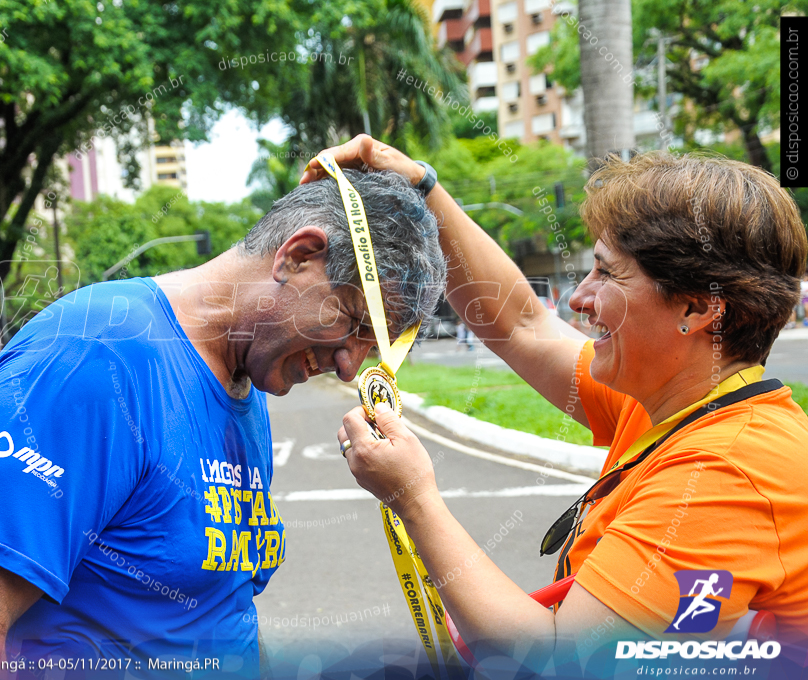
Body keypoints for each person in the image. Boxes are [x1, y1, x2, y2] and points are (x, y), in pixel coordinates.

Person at [0, 169, 446, 675]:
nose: (351, 367)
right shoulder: (94, 354)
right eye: (352, 325)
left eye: (370, 348)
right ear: (299, 256)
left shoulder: (246, 388)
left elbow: (215, 611)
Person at [303, 136, 808, 664]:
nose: (578, 297)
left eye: (608, 272)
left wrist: (413, 498)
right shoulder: (674, 401)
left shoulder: (726, 474)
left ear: (696, 308)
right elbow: (522, 324)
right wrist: (423, 186)